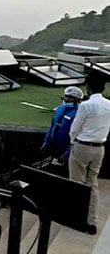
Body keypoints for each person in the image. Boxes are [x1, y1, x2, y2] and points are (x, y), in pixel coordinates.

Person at [68, 73, 110, 235]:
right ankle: (91, 220)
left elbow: (74, 128)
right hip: (99, 148)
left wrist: (73, 141)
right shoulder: (109, 105)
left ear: (88, 87)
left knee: (77, 183)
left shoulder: (86, 105)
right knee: (92, 183)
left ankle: (77, 218)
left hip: (83, 146)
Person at [41, 86, 84, 166]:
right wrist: (46, 142)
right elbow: (52, 126)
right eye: (66, 96)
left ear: (77, 99)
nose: (66, 99)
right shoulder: (61, 108)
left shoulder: (79, 113)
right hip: (54, 146)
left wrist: (67, 154)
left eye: (70, 97)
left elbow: (76, 135)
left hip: (66, 148)